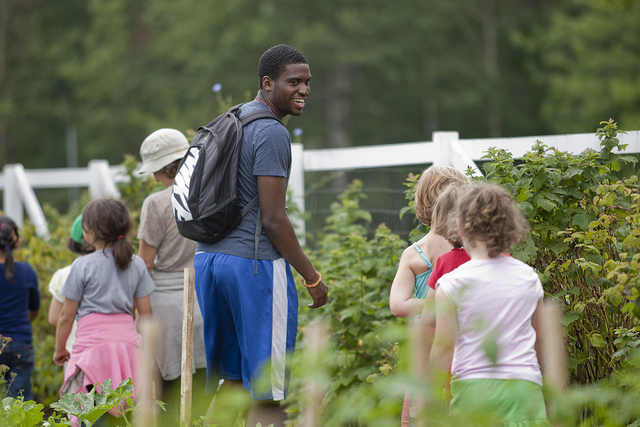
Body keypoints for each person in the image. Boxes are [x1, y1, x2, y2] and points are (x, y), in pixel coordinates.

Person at [193, 44, 328, 427]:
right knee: (270, 389)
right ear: (268, 83)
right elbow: (274, 220)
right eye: (293, 82)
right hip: (252, 268)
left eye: (307, 82)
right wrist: (312, 277)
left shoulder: (233, 118)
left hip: (208, 261)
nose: (303, 89)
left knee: (233, 380)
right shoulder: (271, 132)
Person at [429, 183, 548, 425]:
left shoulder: (451, 284)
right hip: (524, 388)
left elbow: (442, 350)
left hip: (473, 390)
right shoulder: (529, 278)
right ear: (510, 227)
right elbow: (541, 339)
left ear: (460, 228)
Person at [53, 199, 155, 418]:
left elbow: (65, 316)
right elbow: (146, 314)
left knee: (91, 414)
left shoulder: (82, 265)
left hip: (91, 351)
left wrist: (60, 349)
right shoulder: (136, 263)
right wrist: (131, 338)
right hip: (128, 350)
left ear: (90, 232)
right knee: (126, 412)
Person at [388, 166, 468, 427]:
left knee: (426, 407)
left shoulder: (414, 253)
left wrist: (432, 305)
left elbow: (398, 306)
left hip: (425, 341)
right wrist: (449, 304)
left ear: (422, 202)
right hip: (465, 338)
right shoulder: (469, 249)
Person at [136, 128, 207, 414]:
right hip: (205, 296)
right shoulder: (209, 194)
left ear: (160, 169)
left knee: (169, 392)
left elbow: (144, 265)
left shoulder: (156, 203)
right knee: (202, 385)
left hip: (164, 305)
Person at [0, 216, 40, 401]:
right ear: (16, 241)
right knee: (21, 404)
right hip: (21, 344)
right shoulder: (26, 271)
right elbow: (34, 308)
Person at [48, 214, 94, 357]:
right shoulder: (115, 271)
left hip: (73, 349)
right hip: (108, 346)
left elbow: (54, 318)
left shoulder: (63, 274)